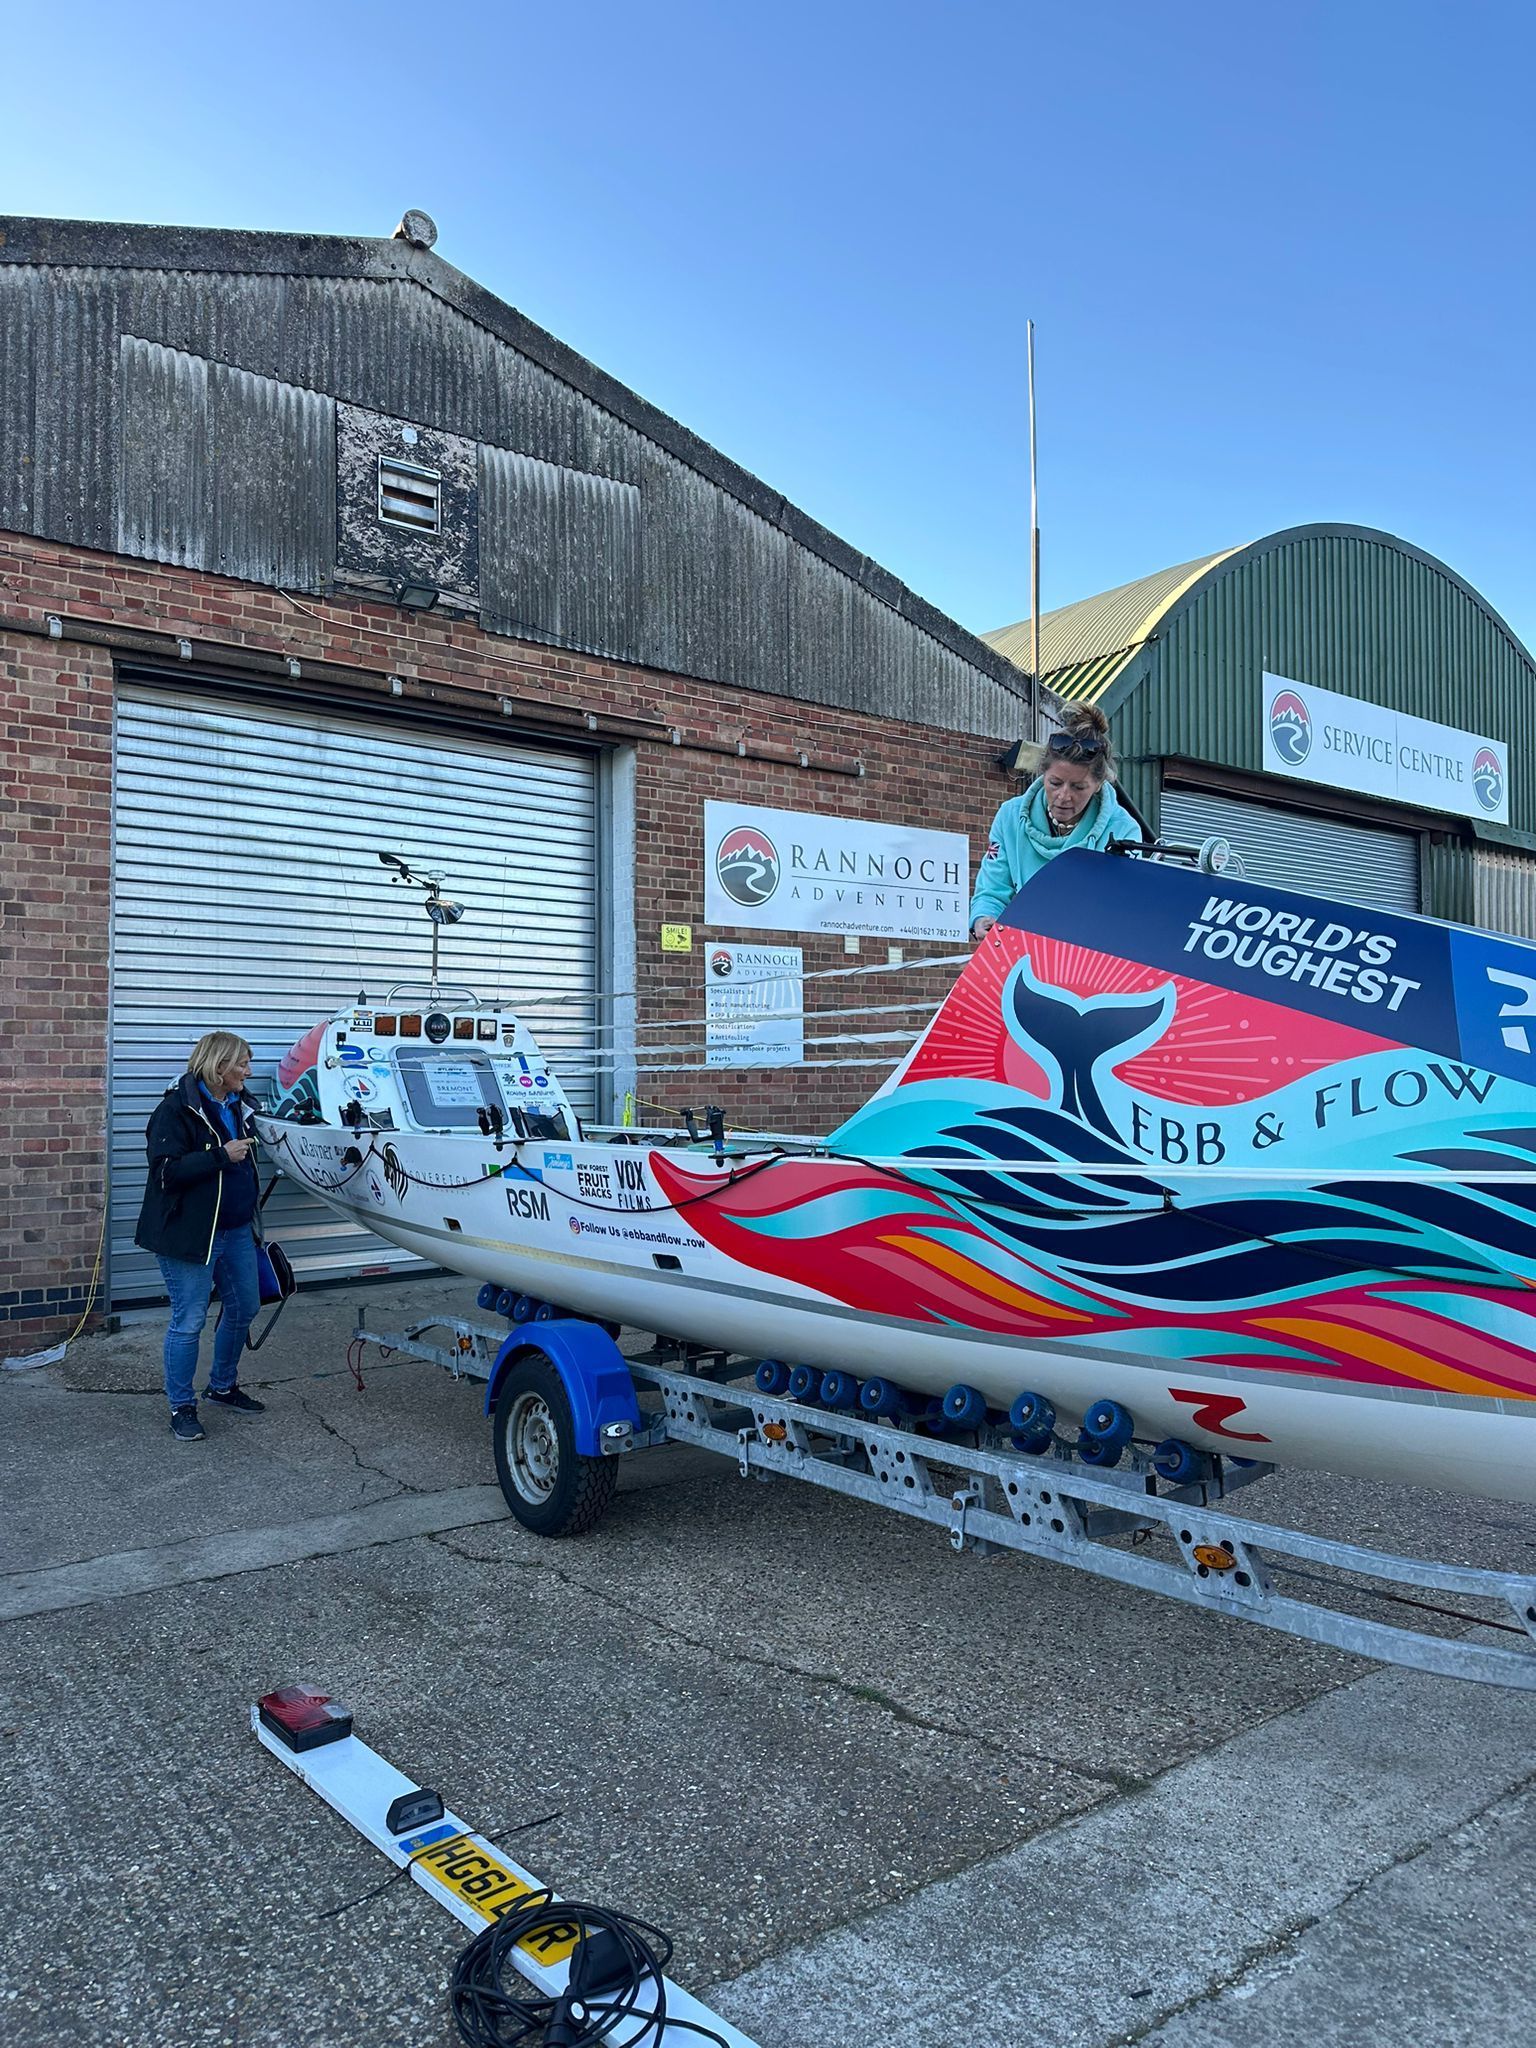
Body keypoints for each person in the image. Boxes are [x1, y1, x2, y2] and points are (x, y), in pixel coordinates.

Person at [134, 1030, 269, 1441]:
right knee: (189, 1320)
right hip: (190, 1236)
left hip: (236, 1232)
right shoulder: (175, 1110)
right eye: (241, 1063)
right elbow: (165, 1172)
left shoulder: (240, 1105)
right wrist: (219, 1157)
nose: (248, 1071)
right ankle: (182, 1406)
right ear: (218, 1066)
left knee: (245, 1307)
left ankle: (222, 1387)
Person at [969, 704, 1140, 940]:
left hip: (1086, 957)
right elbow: (992, 889)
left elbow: (1122, 909)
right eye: (1055, 783)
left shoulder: (1123, 830)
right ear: (1042, 774)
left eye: (1078, 787)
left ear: (1100, 784)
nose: (1063, 796)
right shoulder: (1009, 816)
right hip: (1020, 950)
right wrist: (984, 917)